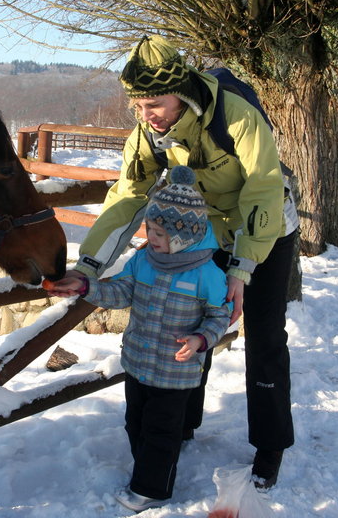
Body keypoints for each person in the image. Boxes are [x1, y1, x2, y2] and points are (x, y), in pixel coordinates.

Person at [66, 35, 300, 490]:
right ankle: (184, 421)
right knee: (193, 323)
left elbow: (263, 188)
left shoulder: (236, 116)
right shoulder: (147, 135)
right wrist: (89, 266)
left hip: (266, 228)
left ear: (182, 91)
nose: (144, 115)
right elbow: (128, 196)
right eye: (136, 105)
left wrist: (241, 270)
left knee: (265, 336)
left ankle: (270, 445)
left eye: (153, 103)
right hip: (207, 232)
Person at [48, 166, 231, 512]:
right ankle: (147, 469)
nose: (152, 237)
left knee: (161, 432)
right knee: (136, 424)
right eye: (151, 228)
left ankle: (152, 488)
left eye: (160, 232)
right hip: (138, 362)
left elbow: (219, 315)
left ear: (184, 233)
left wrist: (201, 341)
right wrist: (87, 286)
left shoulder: (207, 274)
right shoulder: (143, 260)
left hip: (176, 374)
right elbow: (121, 292)